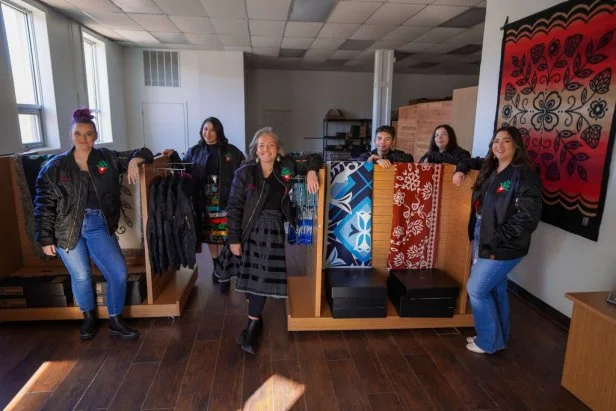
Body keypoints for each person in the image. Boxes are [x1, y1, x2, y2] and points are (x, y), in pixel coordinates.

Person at [34, 108, 154, 340]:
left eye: (89, 134)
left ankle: (116, 320)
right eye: (78, 134)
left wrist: (134, 161)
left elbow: (145, 152)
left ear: (95, 136)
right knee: (80, 275)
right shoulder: (54, 166)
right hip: (66, 229)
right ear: (71, 135)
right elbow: (44, 204)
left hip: (98, 223)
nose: (83, 139)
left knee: (118, 272)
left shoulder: (107, 158)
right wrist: (45, 238)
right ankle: (88, 318)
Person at [217, 127, 322, 355]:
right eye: (262, 145)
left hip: (272, 230)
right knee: (249, 276)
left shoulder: (286, 167)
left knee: (261, 277)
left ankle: (252, 324)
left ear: (277, 149)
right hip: (246, 229)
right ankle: (255, 314)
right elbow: (234, 207)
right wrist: (234, 239)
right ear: (256, 149)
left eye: (271, 145)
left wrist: (312, 171)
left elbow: (315, 157)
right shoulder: (244, 173)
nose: (266, 149)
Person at [465, 126, 542, 354]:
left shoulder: (523, 175)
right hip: (483, 232)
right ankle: (497, 337)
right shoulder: (492, 169)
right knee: (496, 289)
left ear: (516, 145)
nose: (499, 145)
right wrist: (461, 169)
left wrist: (498, 238)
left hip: (504, 243)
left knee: (477, 289)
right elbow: (463, 159)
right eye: (496, 141)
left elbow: (527, 217)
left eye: (505, 141)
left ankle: (488, 341)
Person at [163, 117, 245, 294]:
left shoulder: (231, 151)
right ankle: (217, 266)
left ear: (219, 132)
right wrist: (174, 156)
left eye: (212, 130)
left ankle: (224, 268)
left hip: (225, 197)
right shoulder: (195, 151)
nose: (208, 133)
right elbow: (183, 168)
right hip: (204, 198)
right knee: (211, 234)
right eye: (205, 129)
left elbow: (244, 168)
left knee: (225, 234)